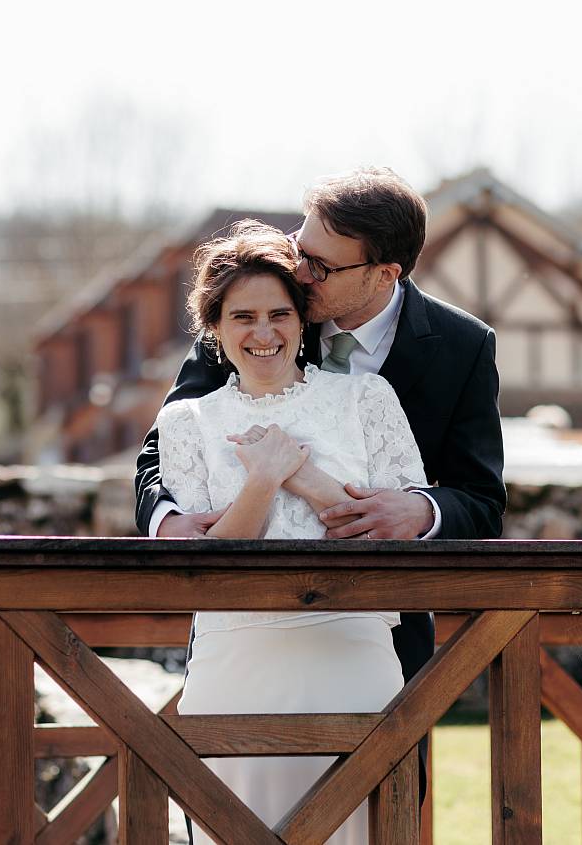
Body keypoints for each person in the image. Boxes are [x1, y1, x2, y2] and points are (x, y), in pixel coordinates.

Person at [136, 166, 506, 689]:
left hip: (382, 642)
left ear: (383, 275)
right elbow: (165, 446)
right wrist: (168, 523)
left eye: (321, 266)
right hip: (238, 637)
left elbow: (481, 499)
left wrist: (423, 509)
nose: (301, 272)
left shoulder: (463, 347)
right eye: (299, 247)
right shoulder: (258, 311)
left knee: (387, 774)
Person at [158, 219, 425, 843]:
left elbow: (388, 534)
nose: (263, 332)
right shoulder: (186, 422)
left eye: (279, 314)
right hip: (238, 660)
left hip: (352, 654)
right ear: (215, 328)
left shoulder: (367, 400)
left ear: (301, 321)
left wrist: (297, 471)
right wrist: (260, 482)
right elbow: (210, 570)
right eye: (243, 316)